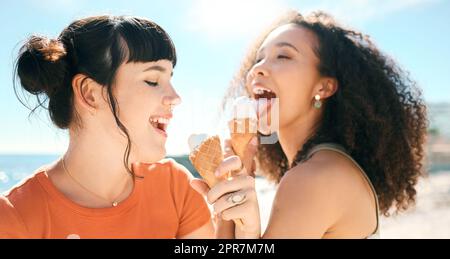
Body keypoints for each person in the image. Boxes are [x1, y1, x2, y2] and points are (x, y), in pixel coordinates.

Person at [192, 11, 428, 238]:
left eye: (283, 56)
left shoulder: (314, 178)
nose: (257, 69)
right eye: (258, 59)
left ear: (323, 88)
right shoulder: (329, 166)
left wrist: (228, 213)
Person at [0, 15, 214, 239]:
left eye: (170, 79)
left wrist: (245, 230)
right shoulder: (14, 218)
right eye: (152, 80)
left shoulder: (177, 187)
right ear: (90, 93)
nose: (175, 97)